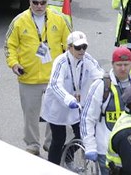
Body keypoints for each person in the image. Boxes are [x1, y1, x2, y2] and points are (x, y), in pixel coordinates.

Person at [6, 0, 72, 155]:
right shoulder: (19, 21)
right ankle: (32, 145)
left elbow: (70, 45)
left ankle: (51, 143)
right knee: (30, 114)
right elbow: (9, 46)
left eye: (42, 2)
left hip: (54, 78)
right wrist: (14, 64)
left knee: (55, 113)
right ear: (29, 2)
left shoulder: (59, 19)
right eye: (35, 2)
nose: (39, 6)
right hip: (29, 77)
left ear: (47, 2)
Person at [41, 31, 103, 164]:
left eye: (84, 47)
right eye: (78, 47)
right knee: (58, 139)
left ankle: (67, 154)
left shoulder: (88, 59)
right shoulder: (61, 61)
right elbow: (55, 84)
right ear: (69, 47)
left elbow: (100, 76)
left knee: (82, 135)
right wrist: (68, 99)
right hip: (58, 105)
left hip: (78, 105)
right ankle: (53, 167)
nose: (82, 51)